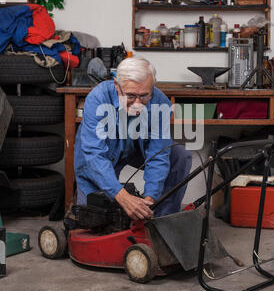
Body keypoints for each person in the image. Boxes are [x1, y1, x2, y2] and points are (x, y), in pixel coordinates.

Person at [74, 56, 192, 220]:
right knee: (92, 220)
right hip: (99, 156)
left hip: (136, 149)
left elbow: (158, 155)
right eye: (130, 96)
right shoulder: (98, 98)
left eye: (144, 96)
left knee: (179, 155)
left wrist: (150, 199)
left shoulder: (161, 103)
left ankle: (160, 219)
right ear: (117, 85)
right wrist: (123, 197)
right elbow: (94, 155)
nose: (137, 103)